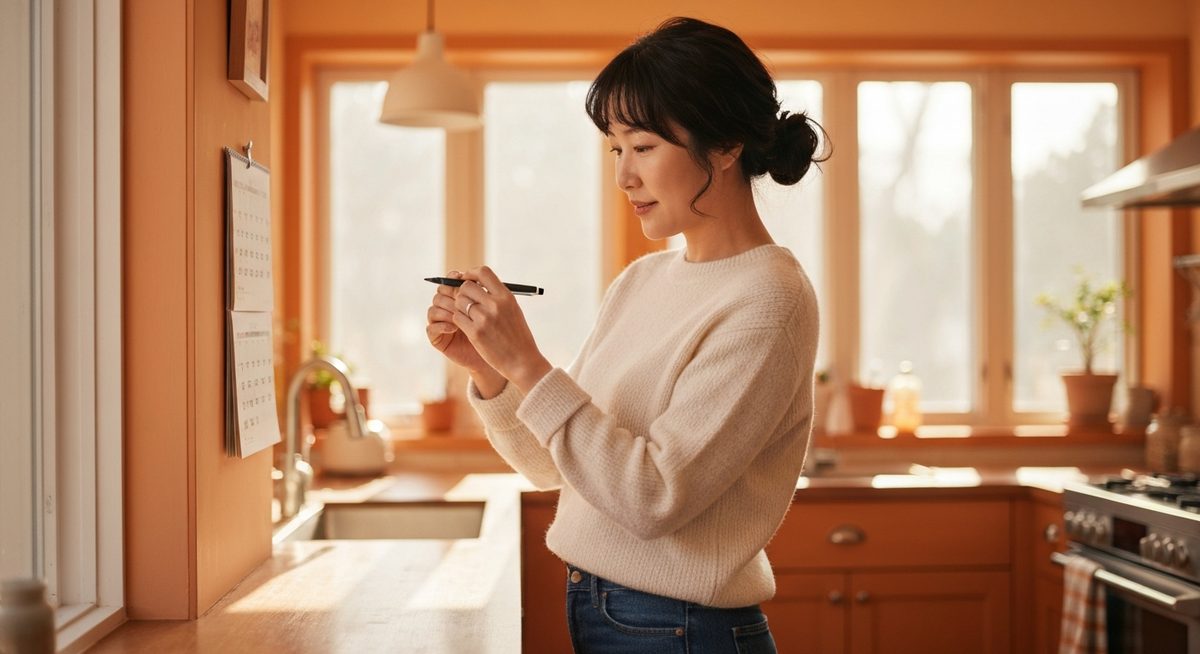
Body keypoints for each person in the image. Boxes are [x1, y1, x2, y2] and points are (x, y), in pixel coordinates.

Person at [425, 16, 826, 654]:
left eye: (642, 147)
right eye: (615, 149)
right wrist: (492, 372)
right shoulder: (643, 280)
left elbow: (653, 497)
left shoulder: (769, 298)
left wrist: (529, 365)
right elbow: (556, 466)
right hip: (606, 610)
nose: (623, 176)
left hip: (683, 629)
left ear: (724, 147)